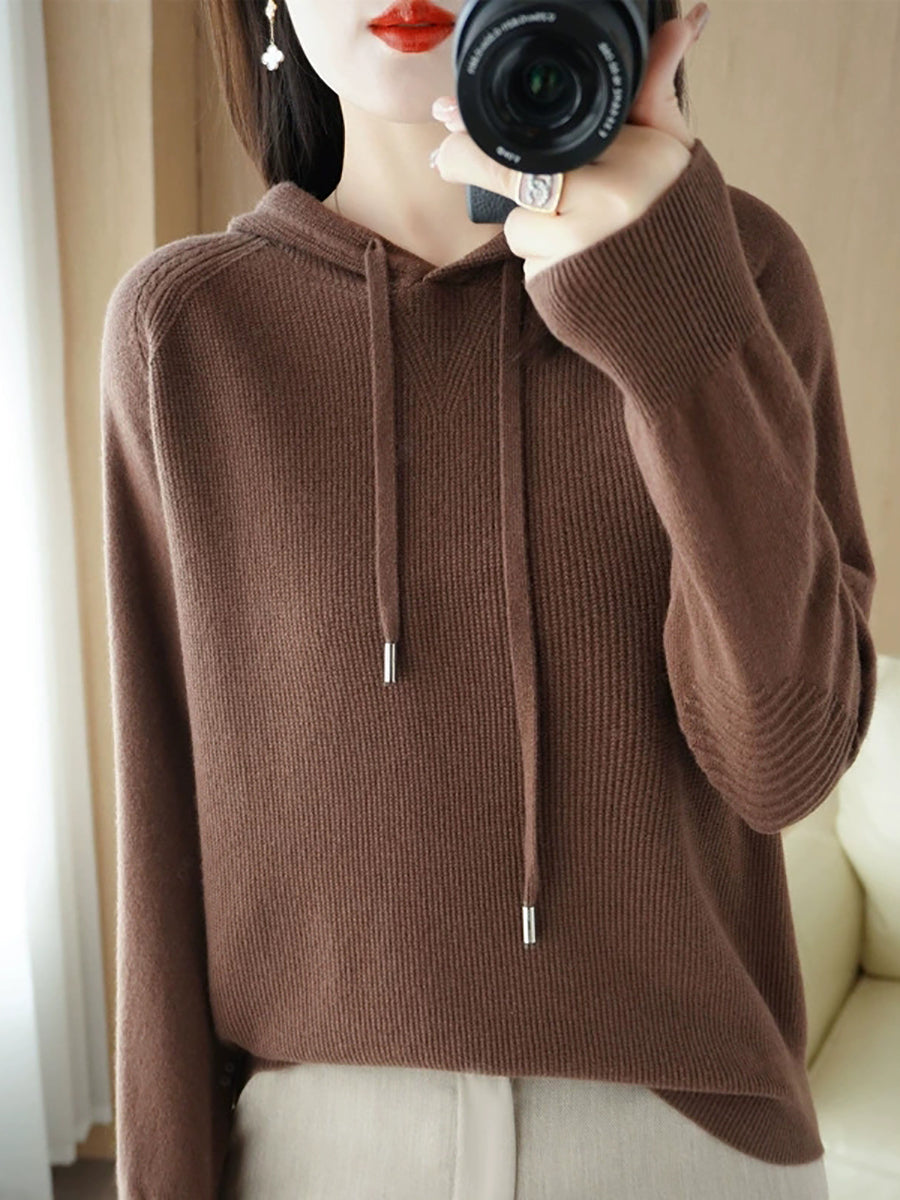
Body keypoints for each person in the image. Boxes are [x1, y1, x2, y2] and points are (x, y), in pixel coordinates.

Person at [100, 0, 877, 1195]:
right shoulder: (186, 329)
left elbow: (788, 758)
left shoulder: (734, 269)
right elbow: (160, 835)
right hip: (319, 1152)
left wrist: (661, 312)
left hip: (680, 1144)